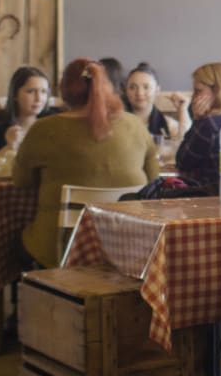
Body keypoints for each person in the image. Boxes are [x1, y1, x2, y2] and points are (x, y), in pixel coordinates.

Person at [12, 59, 159, 267]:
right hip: (129, 248)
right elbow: (154, 180)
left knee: (14, 241)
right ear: (105, 86)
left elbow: (20, 181)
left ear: (64, 90)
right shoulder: (134, 125)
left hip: (59, 249)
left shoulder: (43, 129)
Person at [0, 66, 59, 155]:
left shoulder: (53, 122)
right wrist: (10, 146)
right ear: (15, 94)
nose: (39, 98)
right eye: (31, 91)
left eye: (43, 92)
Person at [123, 62, 182, 139]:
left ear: (157, 90)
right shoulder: (116, 123)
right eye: (133, 87)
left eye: (146, 87)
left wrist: (182, 112)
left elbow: (185, 145)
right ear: (126, 90)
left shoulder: (169, 125)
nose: (140, 93)